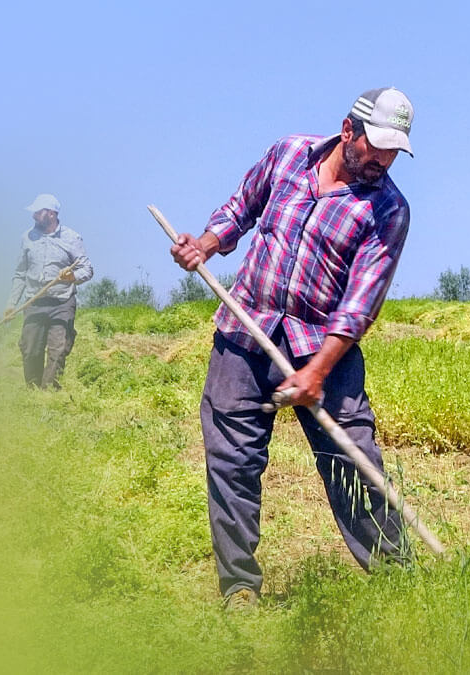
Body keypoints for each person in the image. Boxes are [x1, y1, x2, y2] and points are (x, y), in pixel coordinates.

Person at [169, 87, 415, 607]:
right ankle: (239, 587)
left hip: (324, 348)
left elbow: (360, 304)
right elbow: (241, 209)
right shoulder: (288, 154)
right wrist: (205, 245)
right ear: (348, 129)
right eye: (378, 146)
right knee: (231, 461)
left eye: (395, 151)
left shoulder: (389, 209)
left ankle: (399, 581)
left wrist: (319, 371)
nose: (384, 161)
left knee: (353, 460)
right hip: (244, 330)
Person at [5, 193, 93, 389]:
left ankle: (49, 394)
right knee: (30, 349)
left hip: (62, 303)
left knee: (58, 349)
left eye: (38, 212)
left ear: (52, 214)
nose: (34, 216)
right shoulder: (27, 238)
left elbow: (87, 270)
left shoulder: (71, 238)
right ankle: (33, 390)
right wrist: (11, 304)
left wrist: (72, 277)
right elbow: (20, 274)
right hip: (34, 302)